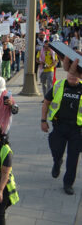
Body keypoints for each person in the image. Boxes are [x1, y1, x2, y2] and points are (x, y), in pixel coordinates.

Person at [41, 56, 82, 195]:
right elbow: (46, 102)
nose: (72, 76)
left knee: (73, 158)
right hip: (59, 126)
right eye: (70, 73)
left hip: (77, 129)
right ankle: (57, 161)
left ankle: (68, 183)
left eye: (75, 74)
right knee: (56, 148)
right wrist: (43, 120)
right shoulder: (59, 85)